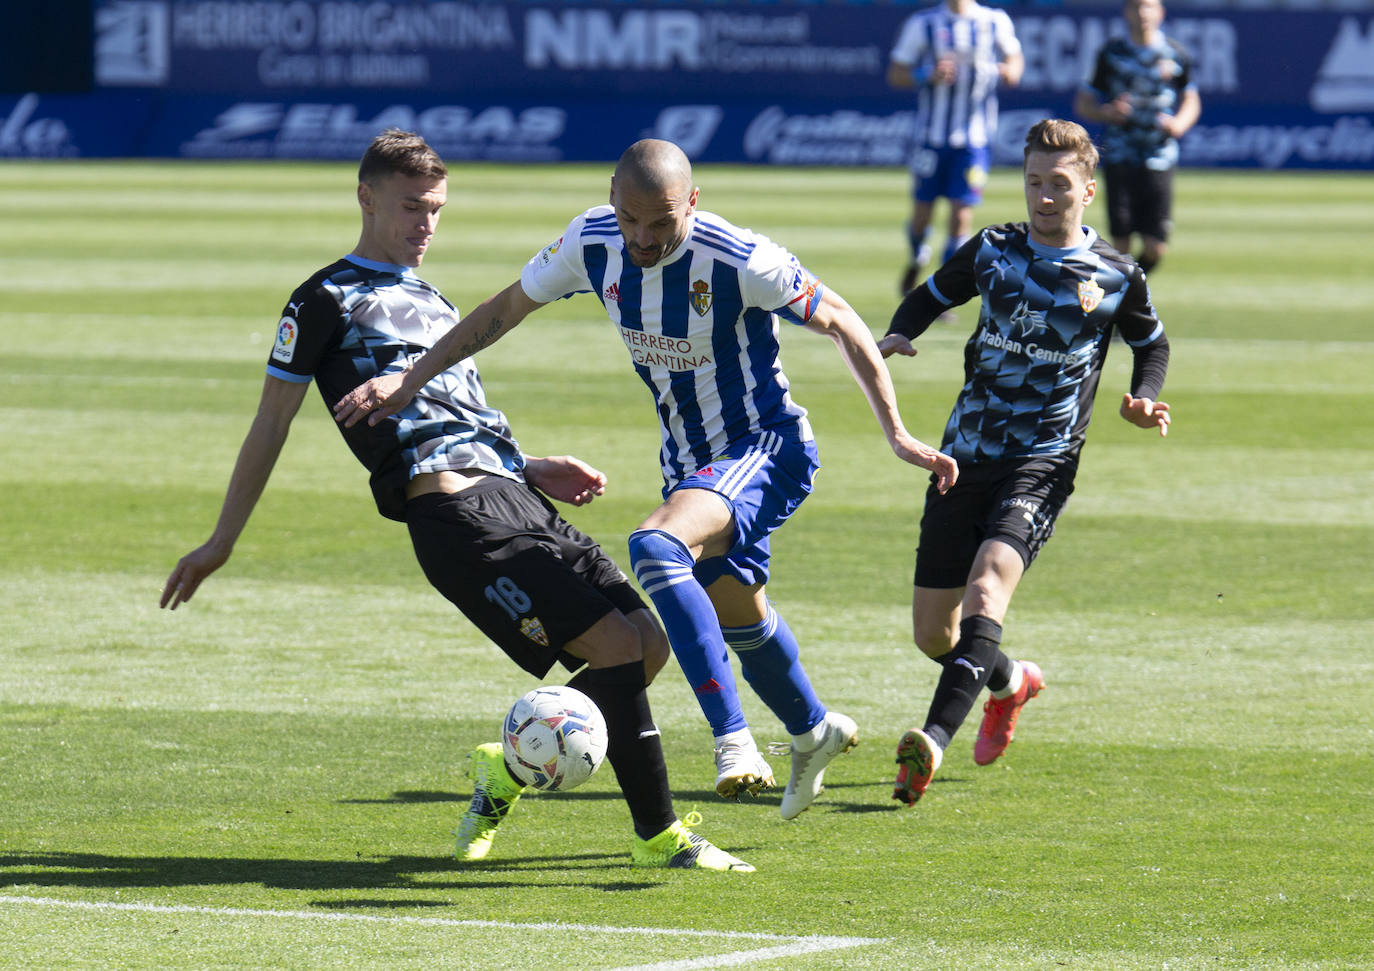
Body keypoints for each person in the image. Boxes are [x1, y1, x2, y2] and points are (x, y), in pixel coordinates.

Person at [159, 129, 753, 872]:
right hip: (455, 519)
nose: (426, 224)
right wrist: (221, 539)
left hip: (514, 497)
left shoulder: (432, 299)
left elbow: (455, 417)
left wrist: (531, 464)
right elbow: (269, 423)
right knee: (615, 647)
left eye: (437, 209)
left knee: (648, 640)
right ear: (366, 197)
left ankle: (505, 769)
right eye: (412, 206)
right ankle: (659, 835)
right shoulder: (322, 300)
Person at [334, 138, 958, 821]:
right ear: (612, 199)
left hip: (763, 446)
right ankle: (814, 731)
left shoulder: (737, 256)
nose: (644, 237)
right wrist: (410, 377)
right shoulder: (592, 241)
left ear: (692, 202)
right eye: (631, 219)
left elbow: (837, 318)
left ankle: (734, 741)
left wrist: (896, 432)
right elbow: (501, 312)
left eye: (662, 222)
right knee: (736, 611)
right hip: (689, 465)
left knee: (656, 547)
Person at [878, 119, 1171, 806]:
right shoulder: (992, 249)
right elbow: (931, 294)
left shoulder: (1117, 275)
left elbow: (1152, 346)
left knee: (988, 589)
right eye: (1035, 182)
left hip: (1042, 460)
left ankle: (931, 741)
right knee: (934, 633)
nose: (1044, 196)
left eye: (1059, 184)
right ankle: (1011, 681)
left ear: (1088, 190)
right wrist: (898, 331)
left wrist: (1143, 397)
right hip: (962, 453)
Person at [887, 0, 1024, 296]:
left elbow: (1015, 63)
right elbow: (896, 72)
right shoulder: (923, 23)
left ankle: (942, 289)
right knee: (922, 215)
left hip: (973, 141)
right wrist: (927, 74)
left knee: (961, 216)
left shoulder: (993, 21)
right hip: (931, 138)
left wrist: (1004, 71)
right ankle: (916, 257)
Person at [1074, 0, 1201, 276]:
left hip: (1159, 155)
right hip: (1120, 153)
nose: (1142, 13)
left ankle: (1126, 287)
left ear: (1160, 12)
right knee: (1121, 241)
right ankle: (1123, 295)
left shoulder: (1175, 53)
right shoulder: (1111, 54)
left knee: (1155, 246)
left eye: (1148, 6)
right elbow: (1083, 102)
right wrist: (1106, 112)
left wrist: (1179, 123)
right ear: (1126, 12)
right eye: (1136, 6)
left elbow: (1191, 99)